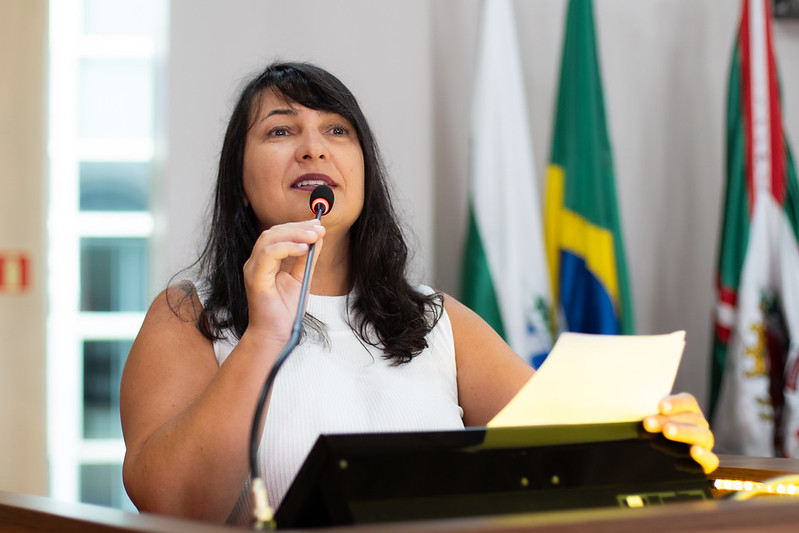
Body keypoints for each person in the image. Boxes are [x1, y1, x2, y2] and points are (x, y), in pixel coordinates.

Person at [119, 61, 718, 526]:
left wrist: (653, 441)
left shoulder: (435, 318)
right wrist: (263, 339)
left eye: (337, 130)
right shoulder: (189, 316)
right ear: (240, 180)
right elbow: (172, 505)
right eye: (281, 130)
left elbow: (563, 453)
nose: (313, 147)